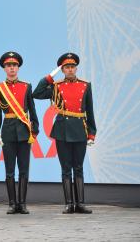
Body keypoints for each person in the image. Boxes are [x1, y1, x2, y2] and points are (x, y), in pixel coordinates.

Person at [32, 53, 96, 214]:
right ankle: (69, 204)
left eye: (72, 67)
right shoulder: (56, 86)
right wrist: (50, 76)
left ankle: (80, 203)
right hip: (62, 130)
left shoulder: (85, 85)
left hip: (80, 130)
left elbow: (90, 111)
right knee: (66, 167)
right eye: (66, 67)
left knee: (79, 167)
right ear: (62, 70)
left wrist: (92, 133)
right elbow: (37, 93)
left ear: (76, 68)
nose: (70, 70)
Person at [0, 52, 39, 214]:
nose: (12, 68)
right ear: (4, 68)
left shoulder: (26, 86)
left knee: (24, 169)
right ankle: (12, 203)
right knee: (9, 169)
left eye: (14, 65)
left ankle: (22, 203)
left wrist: (35, 130)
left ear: (18, 67)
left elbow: (32, 110)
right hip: (8, 131)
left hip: (24, 132)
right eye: (8, 65)